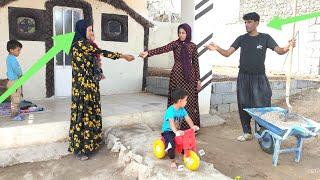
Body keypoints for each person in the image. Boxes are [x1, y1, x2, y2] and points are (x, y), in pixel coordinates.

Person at [205, 12, 296, 142]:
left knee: (263, 103)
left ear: (257, 23)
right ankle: (247, 132)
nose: (246, 24)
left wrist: (289, 46)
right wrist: (217, 48)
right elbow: (227, 53)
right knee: (244, 104)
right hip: (243, 77)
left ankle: (264, 131)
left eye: (249, 22)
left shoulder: (265, 38)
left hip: (259, 78)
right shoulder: (241, 39)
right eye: (245, 22)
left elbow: (280, 51)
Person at [69, 19, 134, 160]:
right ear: (82, 31)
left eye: (92, 30)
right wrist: (124, 56)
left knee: (91, 113)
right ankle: (81, 149)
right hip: (83, 88)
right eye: (89, 30)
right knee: (84, 114)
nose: (92, 33)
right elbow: (102, 52)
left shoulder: (87, 44)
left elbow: (96, 54)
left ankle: (91, 144)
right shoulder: (80, 45)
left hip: (90, 85)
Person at [140, 23, 202, 130]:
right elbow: (162, 49)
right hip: (177, 75)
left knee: (189, 100)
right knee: (177, 99)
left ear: (188, 33)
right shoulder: (175, 44)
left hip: (190, 77)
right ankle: (174, 127)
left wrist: (198, 79)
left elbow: (196, 63)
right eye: (179, 33)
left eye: (183, 33)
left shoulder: (193, 46)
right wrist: (148, 53)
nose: (181, 35)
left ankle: (189, 127)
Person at [161, 88, 199, 168]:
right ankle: (172, 160)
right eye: (185, 100)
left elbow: (187, 118)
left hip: (177, 130)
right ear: (179, 101)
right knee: (171, 144)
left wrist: (193, 126)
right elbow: (171, 123)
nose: (186, 102)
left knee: (184, 140)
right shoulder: (170, 110)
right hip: (168, 131)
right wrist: (176, 132)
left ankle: (185, 152)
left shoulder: (182, 109)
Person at [6, 40, 24, 121]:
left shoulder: (9, 58)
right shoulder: (12, 59)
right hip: (14, 82)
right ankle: (14, 115)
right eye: (18, 50)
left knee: (15, 98)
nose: (19, 52)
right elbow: (16, 68)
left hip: (12, 81)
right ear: (11, 50)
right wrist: (20, 74)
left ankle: (16, 113)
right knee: (16, 99)